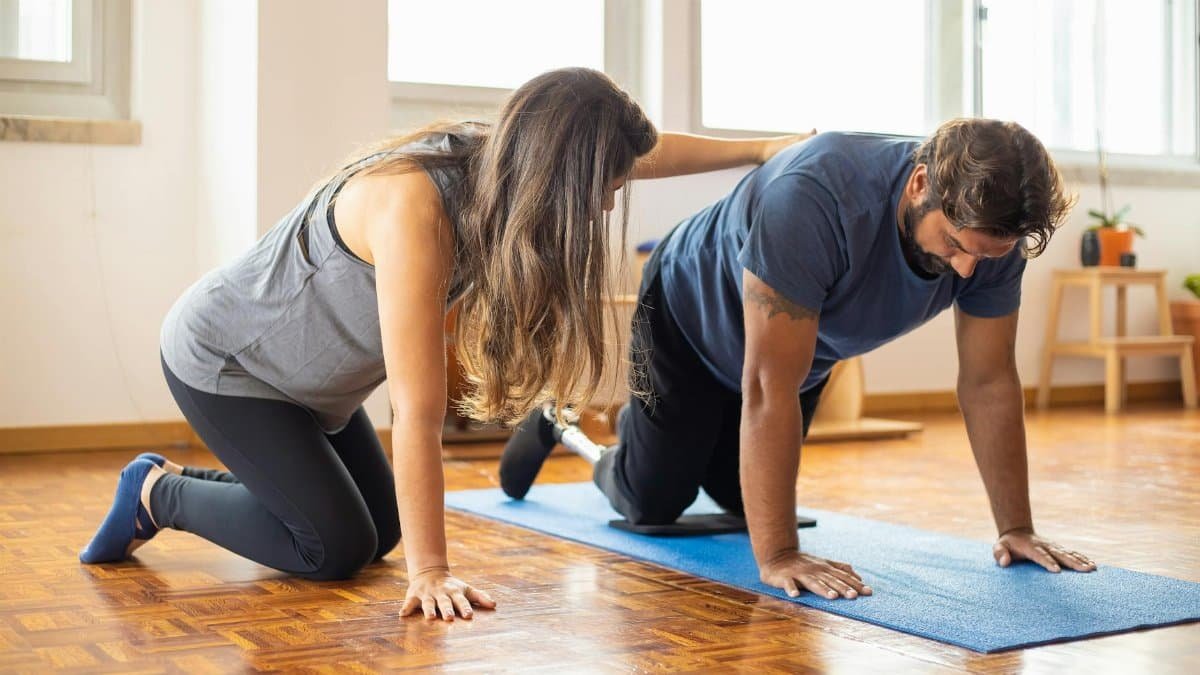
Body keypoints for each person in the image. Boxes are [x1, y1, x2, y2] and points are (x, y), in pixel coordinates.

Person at [79, 67, 812, 621]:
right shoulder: (415, 209)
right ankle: (156, 491)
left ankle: (215, 486)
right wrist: (431, 571)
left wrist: (761, 149)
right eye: (605, 187)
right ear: (564, 173)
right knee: (331, 549)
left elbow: (642, 155)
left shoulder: (514, 164)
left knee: (382, 528)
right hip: (231, 366)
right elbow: (418, 411)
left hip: (315, 392)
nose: (611, 200)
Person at [502, 119, 1097, 602]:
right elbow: (765, 388)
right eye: (956, 246)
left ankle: (684, 442)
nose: (967, 270)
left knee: (743, 500)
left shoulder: (996, 238)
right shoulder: (815, 196)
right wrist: (779, 555)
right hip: (685, 319)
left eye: (987, 257)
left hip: (799, 357)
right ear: (920, 184)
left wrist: (1015, 527)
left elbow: (989, 382)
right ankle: (563, 422)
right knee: (653, 500)